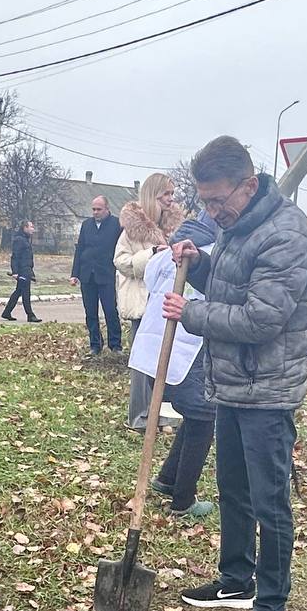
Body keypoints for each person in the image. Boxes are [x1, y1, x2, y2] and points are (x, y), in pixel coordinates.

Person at [162, 135, 307, 611]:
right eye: (204, 201)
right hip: (231, 382)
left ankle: (271, 608)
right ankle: (236, 579)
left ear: (249, 185)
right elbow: (234, 288)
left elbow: (261, 318)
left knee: (269, 501)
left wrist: (188, 312)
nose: (212, 212)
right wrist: (201, 264)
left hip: (269, 390)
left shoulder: (287, 235)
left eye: (218, 201)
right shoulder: (238, 225)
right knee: (232, 486)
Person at [130, 210, 218, 519]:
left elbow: (149, 278)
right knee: (205, 414)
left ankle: (167, 479)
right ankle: (183, 501)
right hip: (185, 349)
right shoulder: (210, 256)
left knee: (196, 414)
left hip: (155, 347)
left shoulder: (166, 254)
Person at [116, 174, 182, 430]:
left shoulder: (173, 229)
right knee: (142, 364)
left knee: (163, 359)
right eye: (165, 194)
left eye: (172, 194)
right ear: (152, 195)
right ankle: (139, 416)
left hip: (164, 303)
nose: (170, 199)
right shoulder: (132, 230)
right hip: (142, 305)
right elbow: (122, 262)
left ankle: (158, 410)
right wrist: (152, 255)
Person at [70, 195, 123, 357]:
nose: (95, 212)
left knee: (110, 310)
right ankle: (95, 344)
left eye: (99, 209)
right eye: (93, 209)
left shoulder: (116, 224)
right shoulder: (86, 225)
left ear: (107, 209)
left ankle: (115, 345)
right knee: (90, 312)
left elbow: (121, 248)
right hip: (87, 275)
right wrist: (74, 274)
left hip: (106, 274)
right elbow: (80, 250)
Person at [1, 221, 42, 323]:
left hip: (26, 270)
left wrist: (31, 273)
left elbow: (26, 258)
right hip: (22, 271)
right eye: (31, 227)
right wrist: (15, 272)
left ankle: (7, 312)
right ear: (25, 228)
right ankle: (30, 315)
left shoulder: (25, 240)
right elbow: (15, 257)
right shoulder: (19, 240)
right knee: (25, 293)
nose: (33, 229)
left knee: (18, 291)